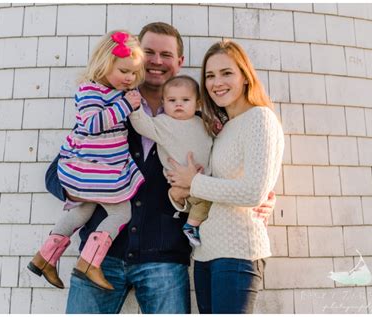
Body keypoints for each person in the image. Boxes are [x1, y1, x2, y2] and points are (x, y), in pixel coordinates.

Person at [44, 22, 276, 314]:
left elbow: (233, 168)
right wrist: (82, 190)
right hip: (100, 258)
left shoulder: (203, 122)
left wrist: (263, 193)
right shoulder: (109, 109)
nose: (156, 61)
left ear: (179, 62)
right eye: (148, 52)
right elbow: (56, 174)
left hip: (165, 260)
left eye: (166, 54)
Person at [167, 40, 284, 313]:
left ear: (245, 76)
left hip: (238, 254)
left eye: (226, 73)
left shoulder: (260, 119)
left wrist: (193, 181)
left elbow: (253, 193)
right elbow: (215, 192)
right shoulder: (223, 130)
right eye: (210, 75)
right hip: (206, 253)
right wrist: (181, 196)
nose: (217, 82)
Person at [27, 30, 145, 291]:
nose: (130, 78)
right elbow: (91, 124)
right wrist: (126, 106)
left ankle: (44, 257)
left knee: (83, 209)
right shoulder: (91, 90)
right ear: (104, 63)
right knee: (121, 211)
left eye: (135, 74)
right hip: (94, 167)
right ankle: (89, 262)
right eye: (125, 71)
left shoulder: (115, 92)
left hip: (97, 168)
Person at [129, 75, 213, 247]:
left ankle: (193, 223)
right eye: (172, 100)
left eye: (185, 100)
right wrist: (135, 108)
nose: (178, 104)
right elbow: (143, 125)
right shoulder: (163, 123)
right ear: (163, 103)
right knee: (202, 202)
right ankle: (191, 226)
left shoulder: (202, 122)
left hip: (205, 180)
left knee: (207, 201)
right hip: (179, 182)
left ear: (197, 103)